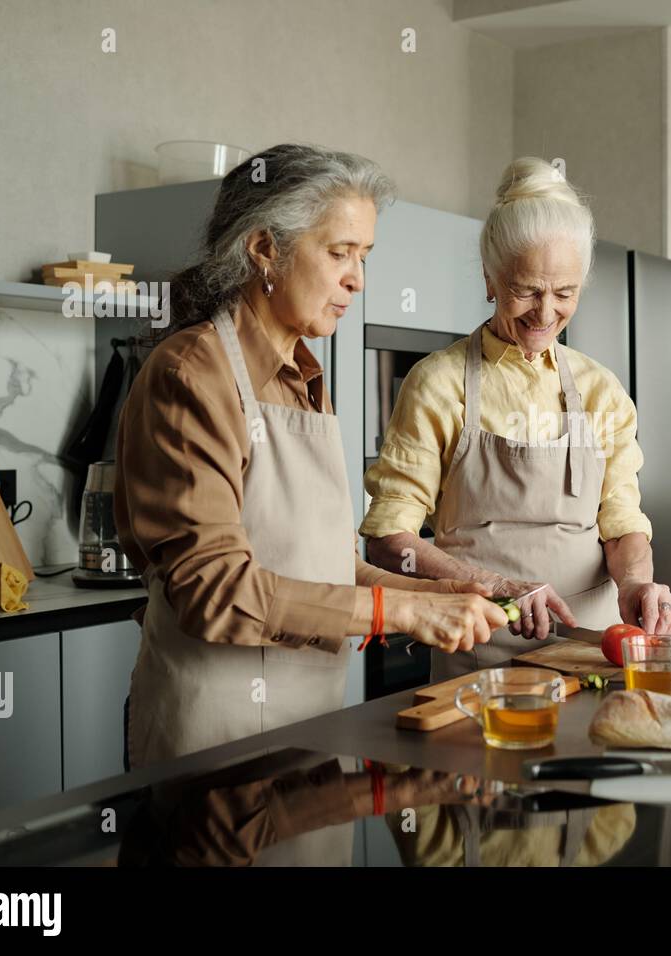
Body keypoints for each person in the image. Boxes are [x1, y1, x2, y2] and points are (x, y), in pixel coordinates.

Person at [116, 144, 506, 768]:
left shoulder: (305, 376)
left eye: (363, 256)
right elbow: (213, 590)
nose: (358, 279)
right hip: (216, 733)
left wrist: (435, 592)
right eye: (339, 252)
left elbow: (324, 565)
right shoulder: (192, 374)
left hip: (313, 725)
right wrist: (399, 609)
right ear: (265, 248)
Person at [360, 157, 671, 679]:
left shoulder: (601, 390)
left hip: (594, 651)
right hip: (479, 654)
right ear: (490, 278)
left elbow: (621, 523)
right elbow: (389, 538)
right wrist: (499, 586)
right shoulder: (437, 384)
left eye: (565, 293)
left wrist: (637, 584)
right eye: (527, 289)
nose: (546, 312)